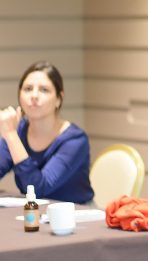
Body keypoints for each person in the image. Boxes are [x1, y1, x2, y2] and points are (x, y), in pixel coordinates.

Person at [0, 61, 94, 204]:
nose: (34, 95)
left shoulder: (75, 140)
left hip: (76, 213)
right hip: (32, 212)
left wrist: (11, 135)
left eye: (44, 90)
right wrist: (12, 134)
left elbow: (38, 189)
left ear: (59, 99)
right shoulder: (19, 130)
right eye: (28, 89)